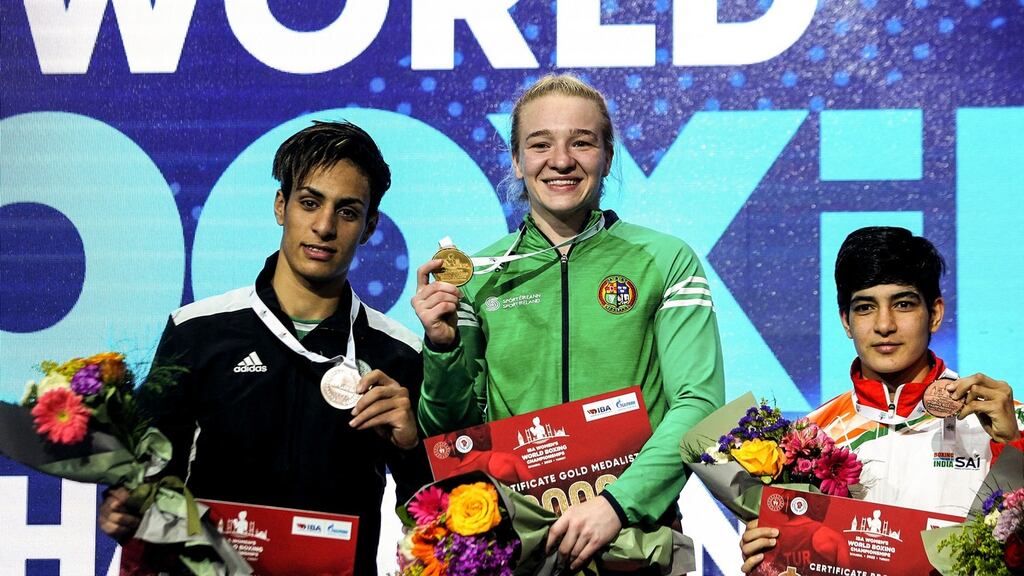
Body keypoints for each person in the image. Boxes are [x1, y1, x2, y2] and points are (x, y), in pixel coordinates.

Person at [412, 74, 725, 571]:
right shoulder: (477, 278)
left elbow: (701, 406)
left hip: (636, 543)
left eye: (582, 142)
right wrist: (442, 347)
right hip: (516, 548)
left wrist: (617, 505)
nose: (561, 161)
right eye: (540, 145)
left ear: (607, 155)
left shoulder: (666, 260)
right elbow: (453, 435)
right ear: (517, 160)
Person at [97, 121, 432, 575]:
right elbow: (150, 479)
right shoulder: (197, 332)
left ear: (370, 225)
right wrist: (125, 510)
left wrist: (413, 446)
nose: (324, 226)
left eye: (348, 211)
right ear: (281, 205)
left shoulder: (400, 354)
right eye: (309, 202)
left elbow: (432, 517)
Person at [739, 226, 1024, 573]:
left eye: (903, 304)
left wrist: (1014, 446)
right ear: (846, 321)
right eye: (865, 307)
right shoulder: (806, 440)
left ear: (934, 313)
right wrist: (769, 557)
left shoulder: (1005, 422)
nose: (884, 325)